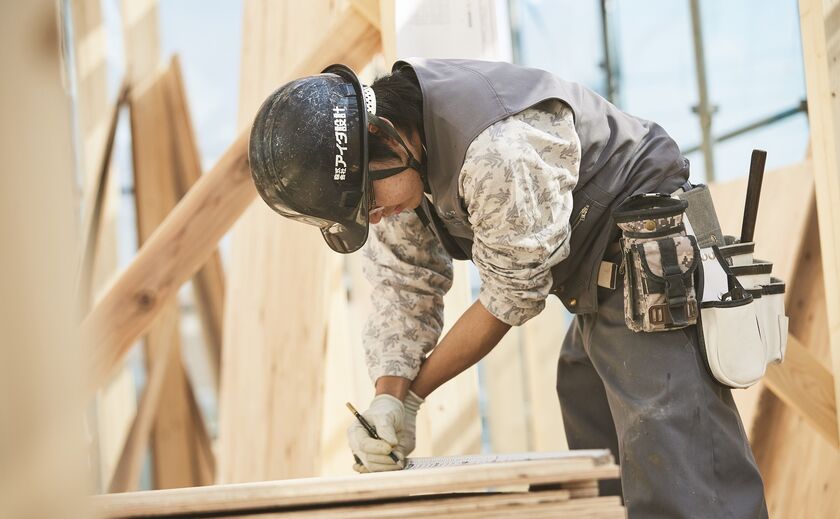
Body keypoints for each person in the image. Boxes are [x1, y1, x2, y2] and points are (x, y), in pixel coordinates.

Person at [248, 58, 768, 518]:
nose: (376, 216)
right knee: (588, 411)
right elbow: (404, 286)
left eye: (369, 201)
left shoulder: (496, 151)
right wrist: (387, 396)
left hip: (643, 247)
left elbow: (511, 294)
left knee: (677, 466)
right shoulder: (397, 159)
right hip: (593, 271)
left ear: (383, 134)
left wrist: (414, 398)